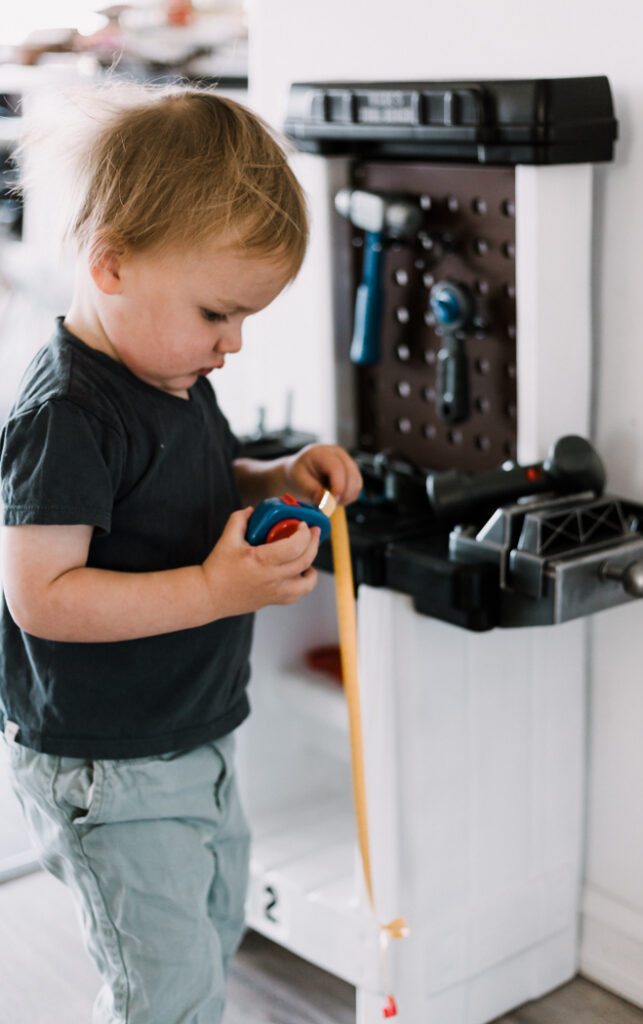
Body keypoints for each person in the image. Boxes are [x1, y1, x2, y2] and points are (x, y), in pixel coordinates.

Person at [0, 82, 362, 1024]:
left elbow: (186, 485)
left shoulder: (167, 368)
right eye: (216, 314)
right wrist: (214, 586)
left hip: (190, 731)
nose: (233, 343)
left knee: (209, 931)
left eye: (245, 318)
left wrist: (271, 477)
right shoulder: (65, 417)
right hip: (109, 765)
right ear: (112, 266)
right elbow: (42, 596)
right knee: (164, 993)